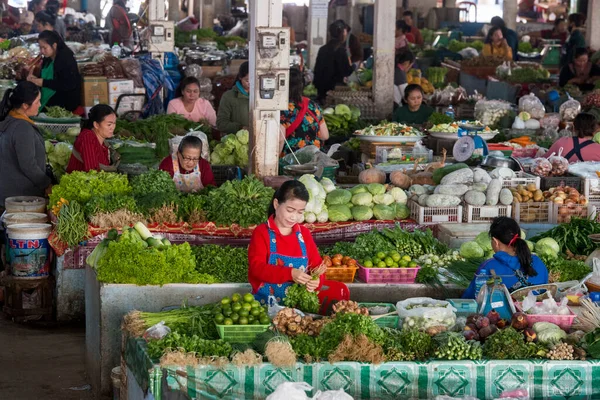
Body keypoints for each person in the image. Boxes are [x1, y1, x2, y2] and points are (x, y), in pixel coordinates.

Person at [248, 180, 349, 306]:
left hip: (298, 312)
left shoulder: (304, 234)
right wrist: (289, 273)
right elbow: (257, 268)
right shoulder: (262, 232)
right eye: (290, 210)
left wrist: (317, 281)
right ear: (276, 204)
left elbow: (317, 267)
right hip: (264, 307)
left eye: (300, 212)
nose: (294, 217)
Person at [463, 217, 548, 299]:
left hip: (500, 313)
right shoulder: (538, 262)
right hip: (536, 312)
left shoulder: (488, 267)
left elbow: (470, 299)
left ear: (495, 242)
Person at [0, 81, 52, 208]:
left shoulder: (9, 120)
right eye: (37, 102)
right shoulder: (22, 128)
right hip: (21, 198)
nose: (40, 105)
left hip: (9, 194)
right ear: (24, 105)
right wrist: (46, 184)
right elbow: (28, 165)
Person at [27, 30, 81, 113]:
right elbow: (45, 77)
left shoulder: (65, 58)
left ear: (54, 45)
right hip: (47, 97)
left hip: (63, 103)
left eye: (44, 48)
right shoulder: (48, 58)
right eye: (40, 47)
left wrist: (43, 83)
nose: (42, 51)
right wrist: (35, 80)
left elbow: (68, 84)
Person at [279, 68, 329, 153]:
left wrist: (274, 161)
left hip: (291, 160)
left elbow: (280, 139)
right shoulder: (313, 105)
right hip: (313, 159)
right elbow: (325, 136)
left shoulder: (282, 108)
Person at [66, 104, 120, 173]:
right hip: (83, 182)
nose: (112, 127)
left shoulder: (103, 142)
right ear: (96, 125)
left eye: (114, 123)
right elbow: (92, 171)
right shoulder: (87, 138)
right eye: (109, 124)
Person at [313, 20, 354, 103]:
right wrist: (354, 66)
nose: (346, 34)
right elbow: (346, 71)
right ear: (342, 34)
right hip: (334, 93)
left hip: (321, 92)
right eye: (345, 32)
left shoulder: (322, 49)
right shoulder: (341, 51)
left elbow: (317, 71)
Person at [217, 61, 249, 134]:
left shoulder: (261, 97)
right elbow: (221, 123)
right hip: (237, 142)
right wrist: (240, 128)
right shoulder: (228, 97)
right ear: (240, 77)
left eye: (255, 80)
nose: (251, 83)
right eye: (247, 80)